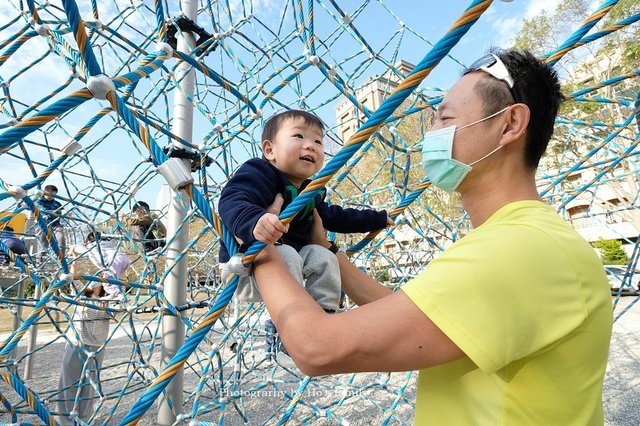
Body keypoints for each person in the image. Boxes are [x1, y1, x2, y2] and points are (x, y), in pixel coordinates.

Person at [251, 49, 613, 424]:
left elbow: (317, 349)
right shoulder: (517, 239)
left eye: (446, 118)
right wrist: (325, 248)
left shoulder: (521, 249)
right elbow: (410, 316)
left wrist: (259, 247)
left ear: (509, 125)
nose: (431, 133)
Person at [218, 110, 392, 353]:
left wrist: (377, 219)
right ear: (270, 150)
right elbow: (232, 200)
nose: (310, 146)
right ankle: (293, 330)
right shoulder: (259, 172)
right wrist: (255, 221)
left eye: (318, 141)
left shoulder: (312, 191)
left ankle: (326, 318)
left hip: (292, 267)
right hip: (245, 267)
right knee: (287, 253)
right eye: (299, 136)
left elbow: (336, 217)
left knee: (323, 256)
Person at [57, 260, 110, 425]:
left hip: (96, 347)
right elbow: (72, 277)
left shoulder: (108, 300)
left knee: (89, 384)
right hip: (77, 343)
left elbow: (119, 295)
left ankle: (85, 419)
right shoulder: (81, 295)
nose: (95, 285)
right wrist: (75, 257)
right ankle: (65, 419)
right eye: (93, 282)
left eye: (98, 283)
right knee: (68, 381)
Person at [71, 231, 131, 300]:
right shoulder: (107, 244)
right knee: (114, 278)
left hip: (113, 261)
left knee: (107, 281)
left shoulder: (91, 246)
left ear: (90, 239)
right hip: (123, 259)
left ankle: (118, 295)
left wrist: (74, 248)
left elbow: (80, 249)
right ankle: (117, 293)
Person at [35, 184, 66, 255]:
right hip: (43, 225)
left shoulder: (57, 204)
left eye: (53, 195)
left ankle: (61, 258)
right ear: (44, 192)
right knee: (43, 246)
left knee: (61, 238)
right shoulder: (38, 202)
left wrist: (65, 212)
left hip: (55, 225)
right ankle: (40, 262)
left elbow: (64, 212)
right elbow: (44, 210)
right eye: (49, 194)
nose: (50, 196)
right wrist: (59, 212)